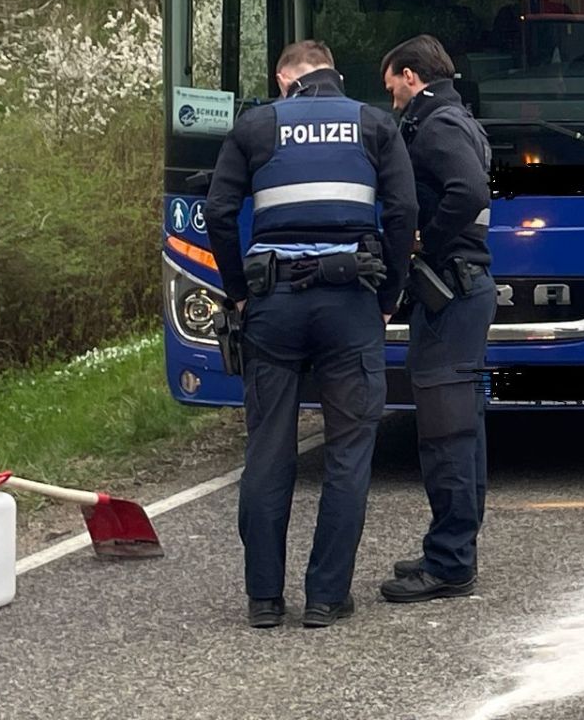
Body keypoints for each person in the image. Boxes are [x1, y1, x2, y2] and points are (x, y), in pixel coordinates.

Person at [204, 40, 415, 630]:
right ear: (333, 74)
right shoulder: (373, 123)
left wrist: (239, 291)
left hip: (273, 304)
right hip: (350, 304)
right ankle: (326, 597)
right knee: (348, 451)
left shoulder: (256, 126)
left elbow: (220, 213)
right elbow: (402, 212)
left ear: (284, 79)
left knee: (268, 449)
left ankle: (264, 600)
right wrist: (387, 297)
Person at [379, 35, 496, 604]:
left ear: (409, 75)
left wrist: (425, 242)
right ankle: (454, 547)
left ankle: (450, 562)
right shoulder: (459, 117)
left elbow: (469, 190)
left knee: (446, 433)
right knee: (462, 427)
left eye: (392, 87)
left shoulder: (437, 124)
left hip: (450, 294)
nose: (392, 99)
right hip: (462, 295)